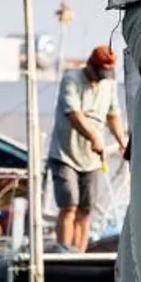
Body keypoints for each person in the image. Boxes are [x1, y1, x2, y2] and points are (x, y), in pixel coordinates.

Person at [48, 44, 128, 251]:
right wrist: (94, 136)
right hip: (66, 155)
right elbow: (73, 114)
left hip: (92, 160)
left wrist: (122, 140)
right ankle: (64, 250)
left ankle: (79, 253)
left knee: (85, 210)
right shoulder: (72, 79)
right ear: (90, 66)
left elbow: (113, 115)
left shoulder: (108, 85)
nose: (99, 79)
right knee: (69, 205)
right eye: (98, 74)